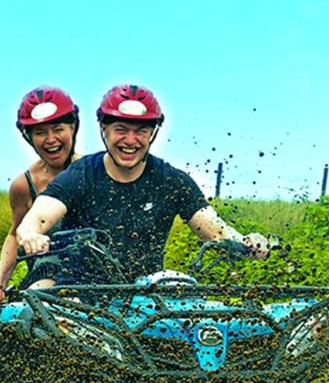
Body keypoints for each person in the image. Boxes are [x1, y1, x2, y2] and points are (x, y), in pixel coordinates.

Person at [15, 83, 270, 280]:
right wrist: (30, 235)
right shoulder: (80, 175)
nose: (130, 140)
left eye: (140, 131)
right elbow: (37, 218)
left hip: (145, 297)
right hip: (81, 296)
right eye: (121, 130)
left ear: (152, 133)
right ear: (104, 130)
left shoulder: (172, 181)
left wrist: (247, 243)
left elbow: (216, 232)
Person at [0, 86, 81, 303]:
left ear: (73, 128)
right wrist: (0, 279)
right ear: (29, 137)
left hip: (95, 272)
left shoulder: (94, 172)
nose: (51, 139)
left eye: (58, 129)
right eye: (40, 132)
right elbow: (14, 234)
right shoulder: (24, 185)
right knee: (41, 302)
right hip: (47, 272)